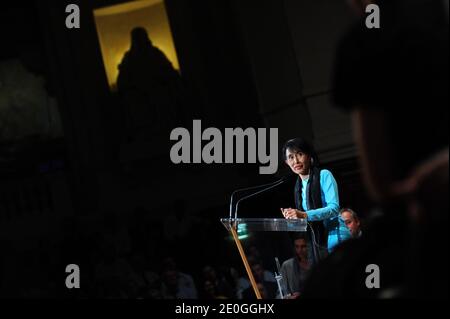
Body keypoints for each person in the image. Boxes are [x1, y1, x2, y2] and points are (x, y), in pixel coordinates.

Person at [281, 137, 351, 263]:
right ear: (286, 162)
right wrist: (292, 217)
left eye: (300, 154)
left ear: (309, 156)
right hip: (316, 243)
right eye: (291, 157)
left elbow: (334, 209)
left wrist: (303, 214)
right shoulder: (298, 187)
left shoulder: (324, 175)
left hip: (336, 237)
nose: (296, 160)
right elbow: (306, 220)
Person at [280, 234, 311, 299]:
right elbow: (281, 292)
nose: (300, 250)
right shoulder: (287, 265)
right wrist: (289, 297)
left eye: (303, 246)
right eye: (297, 247)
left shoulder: (318, 260)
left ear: (309, 246)